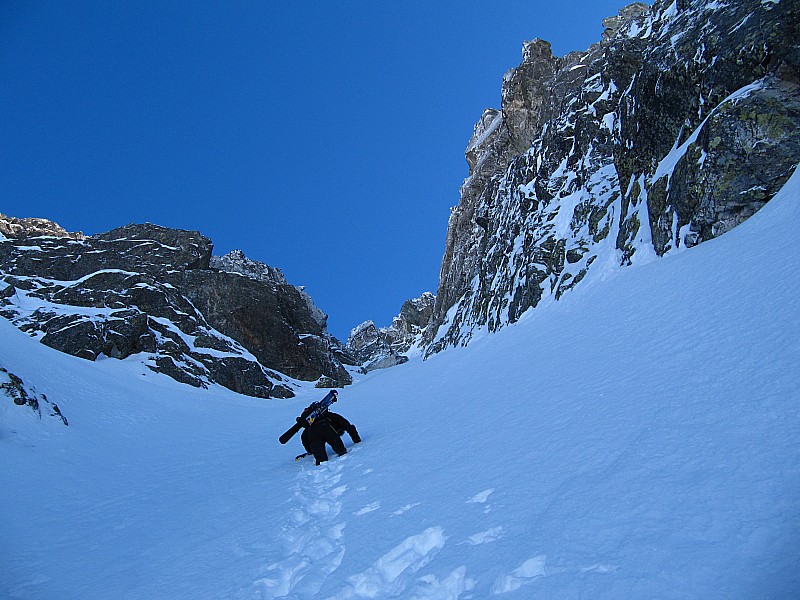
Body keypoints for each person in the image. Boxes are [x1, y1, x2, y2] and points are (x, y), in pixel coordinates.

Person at [298, 394, 361, 465]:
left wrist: (311, 451)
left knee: (321, 460)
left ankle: (320, 462)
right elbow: (349, 427)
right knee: (340, 449)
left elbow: (304, 437)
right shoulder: (334, 417)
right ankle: (341, 454)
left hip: (312, 431)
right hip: (325, 427)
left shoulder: (312, 424)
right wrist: (357, 440)